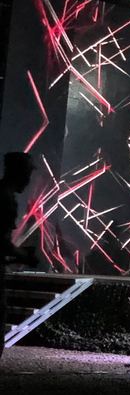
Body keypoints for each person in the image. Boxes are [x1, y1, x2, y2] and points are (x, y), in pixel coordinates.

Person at [0, 152, 36, 359]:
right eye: (27, 174)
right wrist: (23, 255)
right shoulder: (6, 200)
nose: (29, 180)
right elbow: (2, 243)